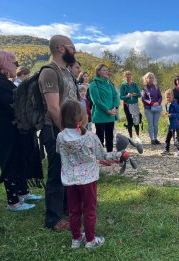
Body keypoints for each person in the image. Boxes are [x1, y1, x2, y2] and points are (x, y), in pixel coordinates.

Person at [57, 100, 125, 249]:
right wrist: (120, 154)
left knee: (74, 211)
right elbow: (103, 156)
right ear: (81, 118)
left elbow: (58, 152)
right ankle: (91, 241)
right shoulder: (90, 137)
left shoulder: (60, 137)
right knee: (89, 210)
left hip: (70, 180)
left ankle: (76, 239)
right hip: (88, 180)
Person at [0, 50, 42, 211]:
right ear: (4, 64)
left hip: (15, 128)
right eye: (13, 63)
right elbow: (4, 105)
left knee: (20, 157)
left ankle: (23, 192)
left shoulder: (2, 81)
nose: (15, 66)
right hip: (3, 130)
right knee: (9, 161)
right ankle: (13, 202)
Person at [39, 35, 78, 230]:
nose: (75, 51)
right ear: (62, 48)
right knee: (56, 172)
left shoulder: (68, 72)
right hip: (54, 129)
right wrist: (66, 133)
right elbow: (53, 108)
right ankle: (53, 219)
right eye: (73, 47)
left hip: (69, 128)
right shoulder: (49, 72)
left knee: (68, 169)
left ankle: (65, 207)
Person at [89, 63, 119, 152]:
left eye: (107, 70)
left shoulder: (109, 83)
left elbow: (115, 96)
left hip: (111, 115)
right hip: (100, 116)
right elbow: (96, 101)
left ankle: (109, 154)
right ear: (98, 72)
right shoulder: (93, 85)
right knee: (100, 137)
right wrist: (107, 110)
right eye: (104, 70)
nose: (107, 72)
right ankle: (100, 156)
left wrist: (114, 107)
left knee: (110, 137)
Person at [161, 89, 179, 157]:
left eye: (169, 97)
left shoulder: (175, 104)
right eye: (167, 97)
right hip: (169, 124)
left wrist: (172, 115)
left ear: (173, 97)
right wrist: (166, 113)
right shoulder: (167, 104)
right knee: (167, 138)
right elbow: (169, 112)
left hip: (176, 124)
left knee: (176, 139)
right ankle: (166, 149)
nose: (168, 98)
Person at [120, 71, 142, 143]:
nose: (128, 77)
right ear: (124, 77)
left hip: (135, 104)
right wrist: (127, 96)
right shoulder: (123, 85)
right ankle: (131, 137)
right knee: (129, 120)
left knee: (136, 120)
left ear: (131, 76)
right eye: (126, 76)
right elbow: (121, 97)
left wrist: (135, 94)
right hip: (127, 104)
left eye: (129, 75)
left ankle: (138, 137)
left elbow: (139, 94)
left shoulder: (134, 84)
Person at [141, 72, 162, 145]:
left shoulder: (156, 87)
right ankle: (152, 139)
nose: (150, 78)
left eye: (152, 77)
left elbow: (160, 96)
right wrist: (151, 103)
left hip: (156, 108)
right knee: (150, 124)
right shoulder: (144, 88)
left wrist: (158, 102)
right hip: (148, 108)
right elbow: (143, 98)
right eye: (148, 77)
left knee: (155, 124)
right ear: (146, 79)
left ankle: (156, 138)